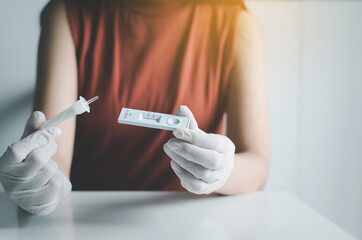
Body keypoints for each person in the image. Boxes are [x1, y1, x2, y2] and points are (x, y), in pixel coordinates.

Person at [0, 0, 270, 215]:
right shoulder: (69, 12)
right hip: (88, 222)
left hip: (193, 221)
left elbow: (258, 165)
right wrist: (38, 180)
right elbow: (54, 155)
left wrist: (222, 169)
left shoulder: (236, 24)